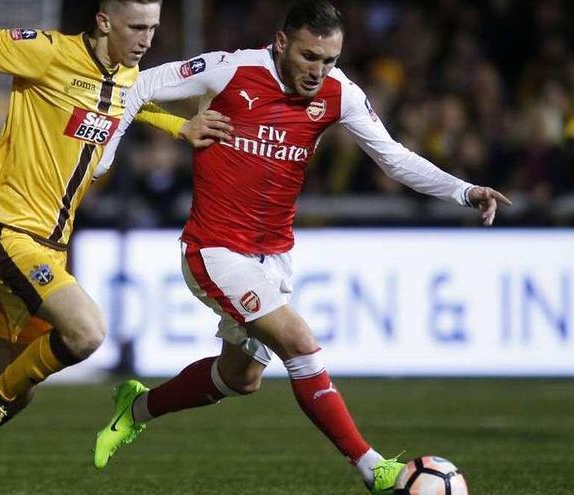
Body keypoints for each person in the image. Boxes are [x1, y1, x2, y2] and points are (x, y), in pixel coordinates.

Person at [91, 1, 512, 494]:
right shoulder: (230, 70)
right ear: (282, 43)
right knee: (300, 343)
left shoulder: (338, 94)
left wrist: (464, 190)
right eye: (311, 57)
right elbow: (139, 85)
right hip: (215, 249)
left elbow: (393, 157)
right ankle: (374, 469)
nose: (319, 71)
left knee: (239, 378)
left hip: (274, 256)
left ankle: (136, 407)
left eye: (330, 60)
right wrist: (110, 154)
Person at [0, 1, 231, 493]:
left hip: (47, 247)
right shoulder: (47, 53)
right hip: (6, 234)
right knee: (84, 333)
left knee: (20, 392)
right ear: (104, 21)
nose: (146, 39)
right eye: (137, 27)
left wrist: (180, 127)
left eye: (153, 28)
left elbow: (134, 104)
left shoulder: (128, 76)